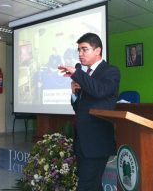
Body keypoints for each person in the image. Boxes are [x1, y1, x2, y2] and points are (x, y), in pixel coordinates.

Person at [58, 33, 120, 191]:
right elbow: (79, 108)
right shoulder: (86, 76)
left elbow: (99, 91)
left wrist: (77, 74)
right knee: (93, 185)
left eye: (84, 49)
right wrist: (74, 93)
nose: (80, 53)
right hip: (82, 142)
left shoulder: (111, 71)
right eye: (79, 49)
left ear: (98, 50)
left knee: (85, 186)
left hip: (97, 142)